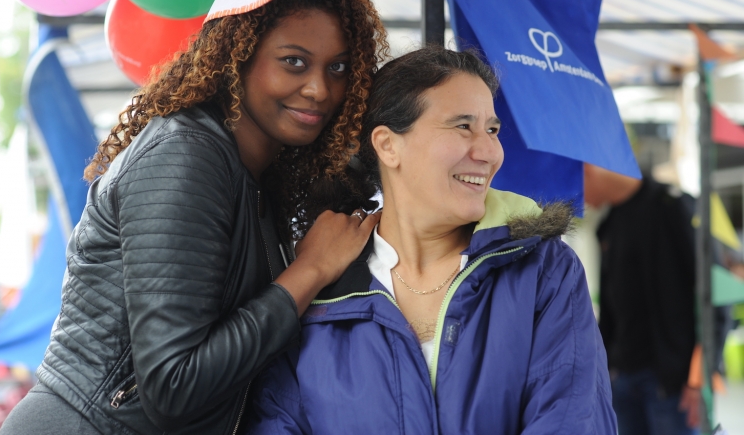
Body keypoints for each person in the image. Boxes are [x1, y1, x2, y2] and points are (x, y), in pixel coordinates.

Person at [0, 0, 387, 435]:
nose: (319, 89)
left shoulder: (260, 173)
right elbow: (173, 385)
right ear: (238, 57)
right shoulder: (187, 155)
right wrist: (310, 270)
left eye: (339, 67)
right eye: (294, 61)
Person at [246, 46, 617, 434]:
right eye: (462, 126)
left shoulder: (544, 272)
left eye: (492, 129)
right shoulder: (323, 287)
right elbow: (277, 421)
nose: (490, 152)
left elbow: (573, 420)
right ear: (388, 145)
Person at [583, 164, 699, 435]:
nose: (581, 200)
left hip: (670, 382)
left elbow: (711, 292)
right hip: (623, 377)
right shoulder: (608, 224)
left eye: (576, 188)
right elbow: (612, 308)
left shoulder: (671, 206)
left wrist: (698, 377)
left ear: (587, 170)